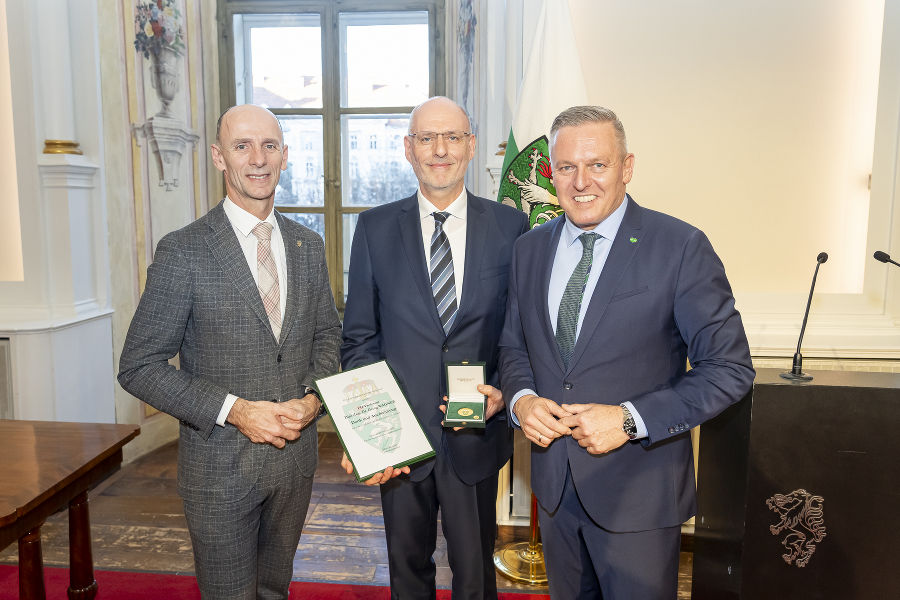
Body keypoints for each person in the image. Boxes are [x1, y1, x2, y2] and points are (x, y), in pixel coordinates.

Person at [498, 105, 755, 599]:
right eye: (566, 167)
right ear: (551, 173)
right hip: (554, 490)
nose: (581, 182)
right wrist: (522, 400)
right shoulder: (529, 249)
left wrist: (630, 419)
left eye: (597, 164)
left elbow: (728, 369)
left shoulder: (680, 246)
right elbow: (514, 345)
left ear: (627, 167)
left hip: (639, 496)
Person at [118, 104, 341, 599]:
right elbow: (138, 366)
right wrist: (236, 411)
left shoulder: (307, 245)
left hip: (295, 465)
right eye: (243, 146)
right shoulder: (184, 250)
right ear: (220, 157)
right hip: (220, 471)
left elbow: (328, 335)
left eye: (269, 146)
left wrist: (314, 399)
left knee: (275, 591)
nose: (258, 159)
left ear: (284, 155)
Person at [340, 96, 529, 599]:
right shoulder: (375, 228)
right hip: (399, 440)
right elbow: (359, 338)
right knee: (407, 572)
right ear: (409, 149)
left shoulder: (511, 227)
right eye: (426, 138)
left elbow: (519, 331)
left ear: (471, 145)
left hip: (476, 433)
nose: (440, 150)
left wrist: (505, 391)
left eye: (452, 137)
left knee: (475, 576)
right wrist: (371, 427)